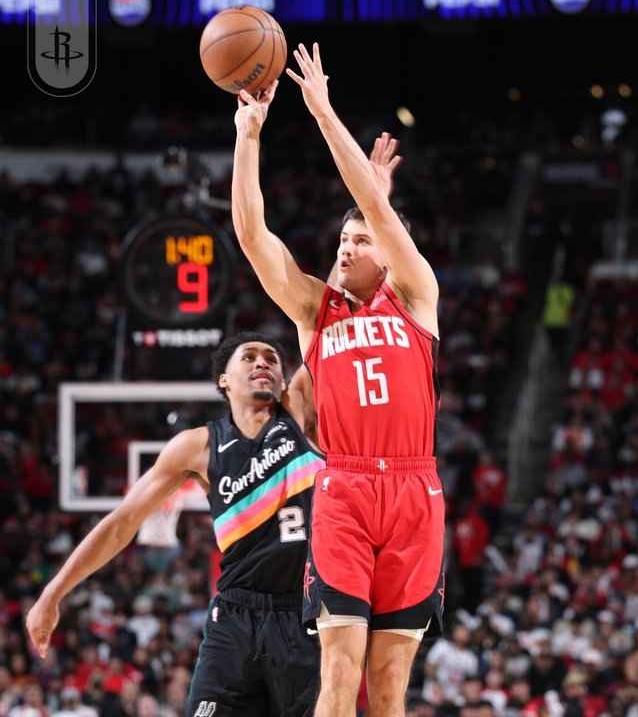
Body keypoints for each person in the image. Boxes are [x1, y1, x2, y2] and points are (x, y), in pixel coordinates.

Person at [232, 42, 444, 717]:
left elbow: (377, 213)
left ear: (388, 254)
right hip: (345, 488)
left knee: (388, 686)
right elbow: (254, 239)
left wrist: (322, 110)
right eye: (341, 241)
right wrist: (248, 136)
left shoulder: (416, 296)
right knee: (338, 671)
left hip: (414, 490)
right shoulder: (314, 312)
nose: (345, 248)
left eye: (359, 241)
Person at [26, 332, 325, 717]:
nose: (262, 362)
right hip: (235, 617)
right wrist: (53, 593)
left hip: (304, 611)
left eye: (271, 358)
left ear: (284, 381)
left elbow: (324, 325)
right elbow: (121, 523)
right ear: (224, 379)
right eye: (249, 356)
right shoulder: (198, 446)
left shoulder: (297, 411)